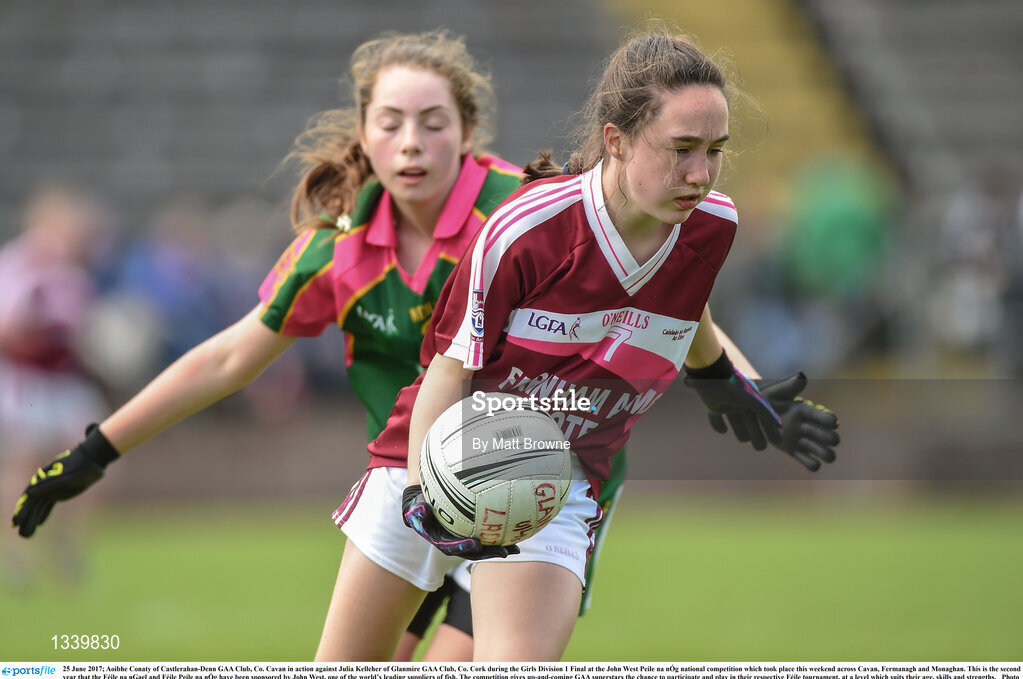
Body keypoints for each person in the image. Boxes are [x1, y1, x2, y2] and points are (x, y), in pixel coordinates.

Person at [7, 29, 631, 660]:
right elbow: (226, 359)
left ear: (467, 135)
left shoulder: (528, 213)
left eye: (433, 122)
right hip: (410, 482)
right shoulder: (339, 244)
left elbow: (656, 289)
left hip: (528, 481)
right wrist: (95, 451)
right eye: (390, 123)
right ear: (365, 135)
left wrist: (723, 375)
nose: (411, 141)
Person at [314, 27, 840, 661]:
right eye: (680, 149)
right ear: (615, 141)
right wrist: (429, 494)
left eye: (715, 150)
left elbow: (680, 302)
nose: (700, 173)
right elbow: (448, 372)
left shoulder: (713, 224)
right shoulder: (529, 227)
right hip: (425, 457)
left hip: (550, 479)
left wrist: (725, 383)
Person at [0, 184, 112, 589]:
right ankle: (17, 551)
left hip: (67, 381)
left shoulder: (74, 274)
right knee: (23, 464)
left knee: (98, 456)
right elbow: (8, 330)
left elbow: (82, 332)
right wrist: (38, 332)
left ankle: (68, 544)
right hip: (29, 381)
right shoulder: (18, 265)